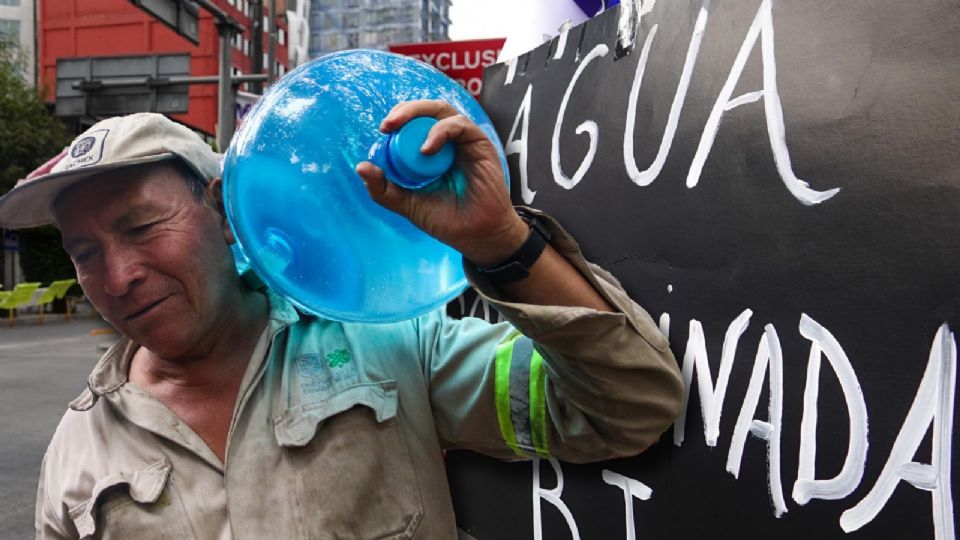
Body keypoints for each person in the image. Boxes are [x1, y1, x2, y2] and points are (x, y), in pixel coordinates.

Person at [0, 101, 683, 539]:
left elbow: (626, 406)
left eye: (143, 226)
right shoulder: (78, 451)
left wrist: (502, 241)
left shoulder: (389, 350)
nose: (116, 277)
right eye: (85, 253)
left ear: (222, 209)